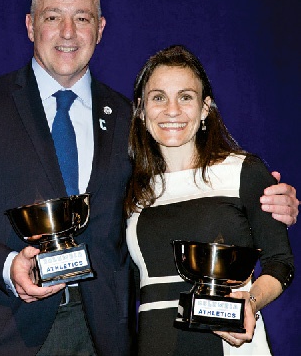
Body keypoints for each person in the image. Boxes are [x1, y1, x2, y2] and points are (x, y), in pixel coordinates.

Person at [0, 0, 298, 356]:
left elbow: (183, 192)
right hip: (2, 334)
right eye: (52, 17)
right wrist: (7, 264)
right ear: (31, 26)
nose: (68, 32)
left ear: (99, 29)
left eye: (81, 18)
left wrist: (267, 200)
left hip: (101, 337)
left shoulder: (129, 120)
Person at [124, 45, 295, 355]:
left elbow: (280, 263)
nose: (172, 110)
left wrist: (250, 303)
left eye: (185, 97)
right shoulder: (133, 190)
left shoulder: (243, 171)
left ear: (205, 108)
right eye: (158, 97)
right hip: (155, 344)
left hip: (230, 343)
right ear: (141, 109)